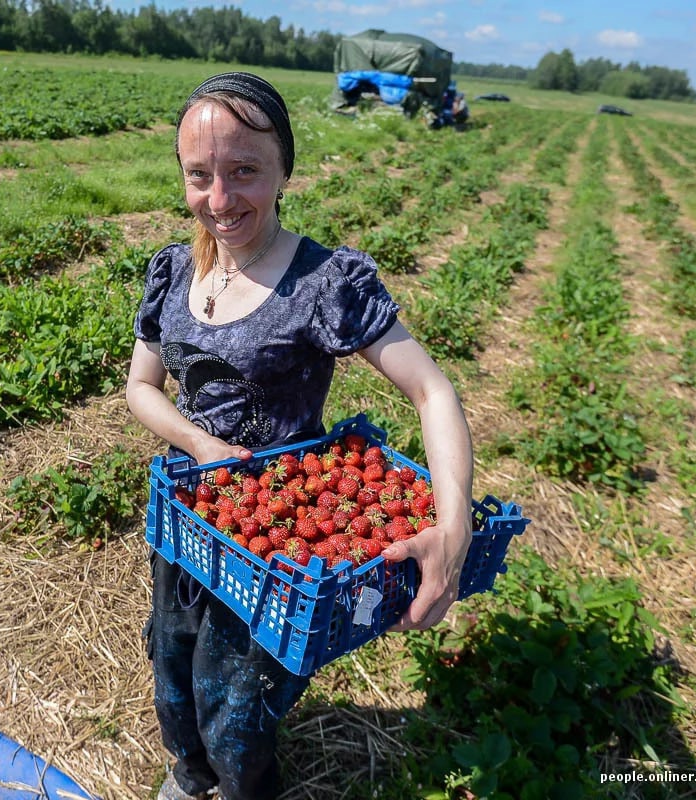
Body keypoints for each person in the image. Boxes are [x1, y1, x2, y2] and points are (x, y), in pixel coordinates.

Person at [125, 72, 475, 800]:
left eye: (245, 171)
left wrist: (455, 525)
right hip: (194, 516)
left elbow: (432, 389)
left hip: (278, 549)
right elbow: (140, 388)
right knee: (171, 658)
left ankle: (244, 784)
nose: (219, 201)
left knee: (241, 706)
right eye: (200, 175)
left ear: (286, 167)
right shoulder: (173, 270)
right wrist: (199, 446)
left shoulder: (323, 282)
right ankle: (188, 778)